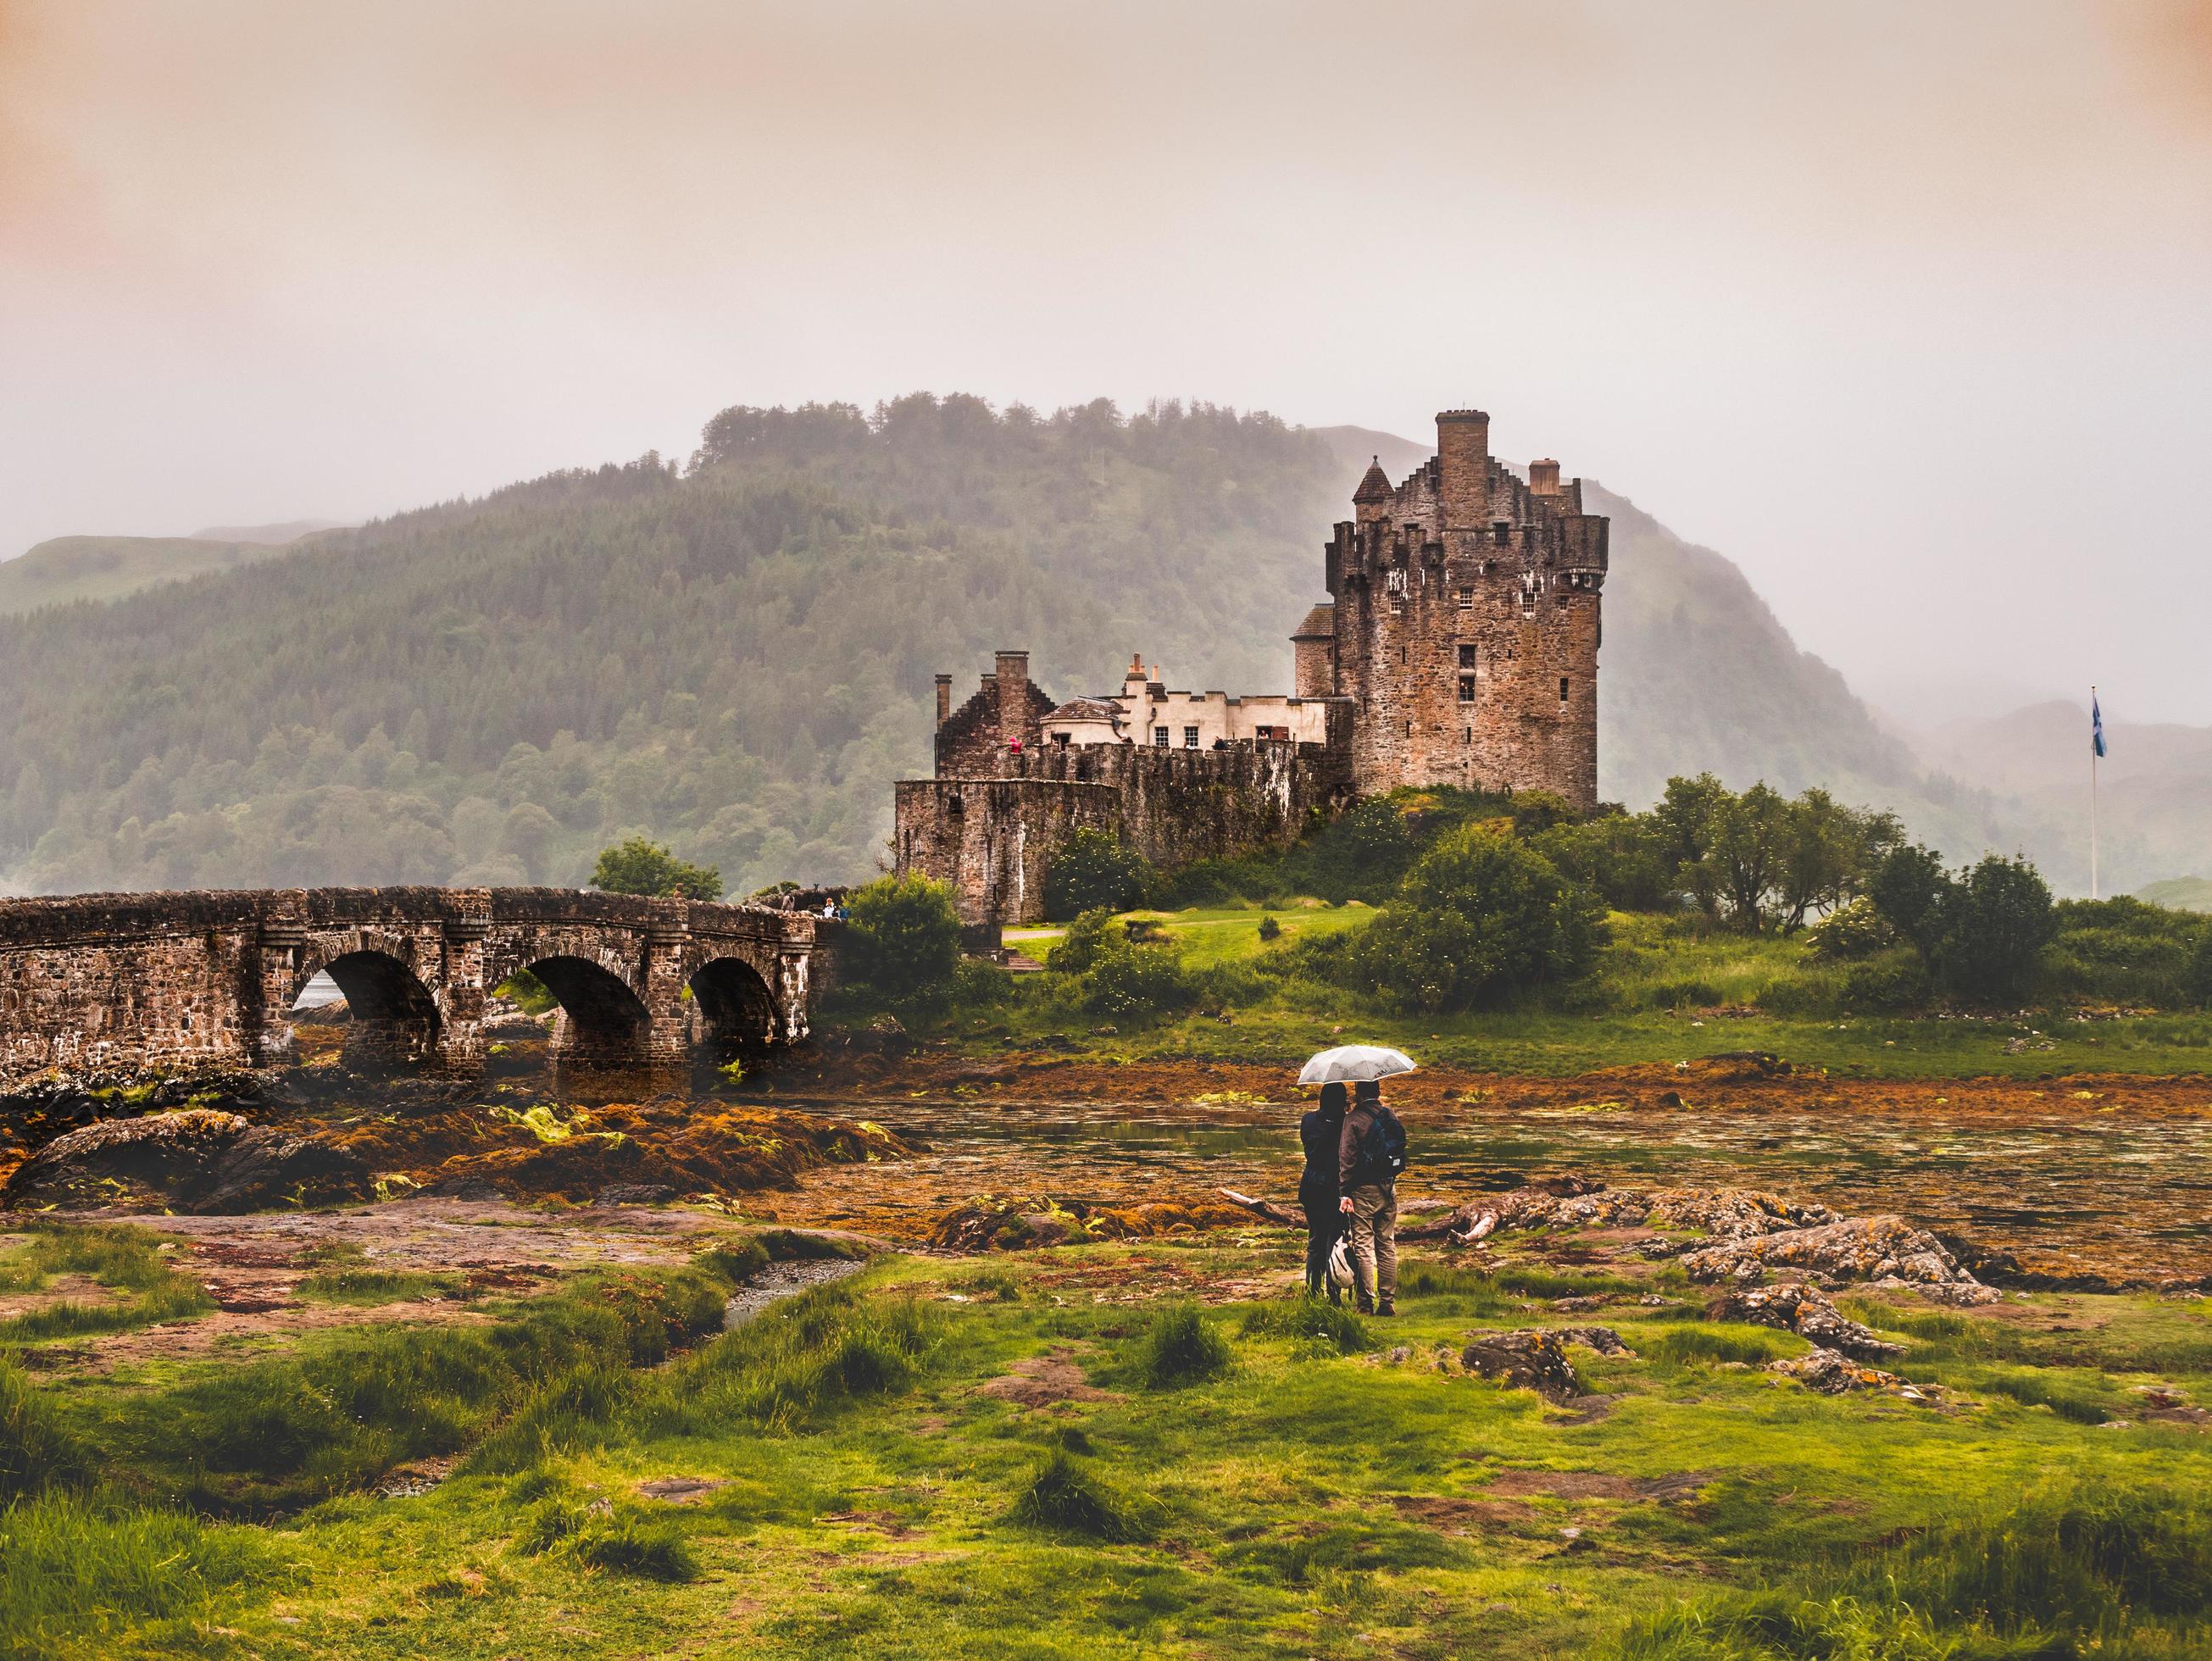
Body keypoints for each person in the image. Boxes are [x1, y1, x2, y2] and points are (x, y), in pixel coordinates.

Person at [1337, 1078, 1400, 1315]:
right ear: (1378, 1091)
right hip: (1388, 1187)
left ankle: (1365, 1304)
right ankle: (1388, 1302)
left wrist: (1344, 1192)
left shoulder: (1352, 1119)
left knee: (1363, 1247)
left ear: (1358, 1093)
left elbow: (1347, 1158)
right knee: (1387, 1245)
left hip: (1363, 1189)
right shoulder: (1389, 1114)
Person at [1298, 1082, 1348, 1303]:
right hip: (1334, 1187)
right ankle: (1333, 1294)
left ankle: (1312, 1290)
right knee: (1334, 1240)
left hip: (1311, 1184)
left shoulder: (1308, 1120)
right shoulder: (1345, 1123)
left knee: (1315, 1240)